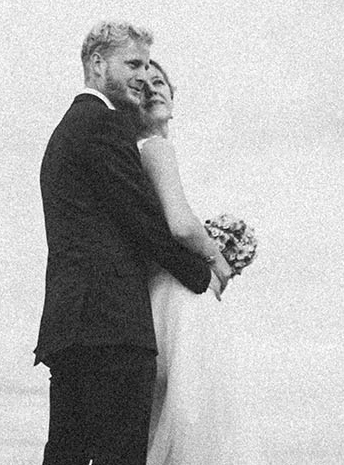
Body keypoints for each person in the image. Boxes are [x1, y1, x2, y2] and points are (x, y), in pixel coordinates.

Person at [35, 21, 222, 465]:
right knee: (120, 456)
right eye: (132, 63)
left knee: (68, 454)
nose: (141, 74)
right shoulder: (101, 125)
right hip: (110, 325)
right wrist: (205, 274)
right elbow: (144, 223)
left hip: (76, 323)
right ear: (98, 65)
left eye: (146, 65)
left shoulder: (75, 126)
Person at [135, 61, 265, 465]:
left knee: (170, 408)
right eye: (142, 87)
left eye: (160, 83)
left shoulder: (140, 153)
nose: (154, 90)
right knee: (194, 407)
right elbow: (180, 225)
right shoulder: (156, 148)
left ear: (174, 98)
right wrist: (217, 260)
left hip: (158, 290)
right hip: (177, 294)